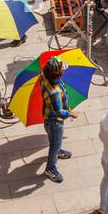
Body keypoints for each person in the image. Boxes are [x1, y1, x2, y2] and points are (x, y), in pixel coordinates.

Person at [40, 56, 72, 184]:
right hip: (55, 121)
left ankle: (57, 150)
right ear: (58, 74)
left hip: (48, 118)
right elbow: (59, 112)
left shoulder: (44, 78)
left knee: (53, 139)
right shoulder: (54, 92)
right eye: (62, 70)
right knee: (55, 144)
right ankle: (50, 168)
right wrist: (70, 114)